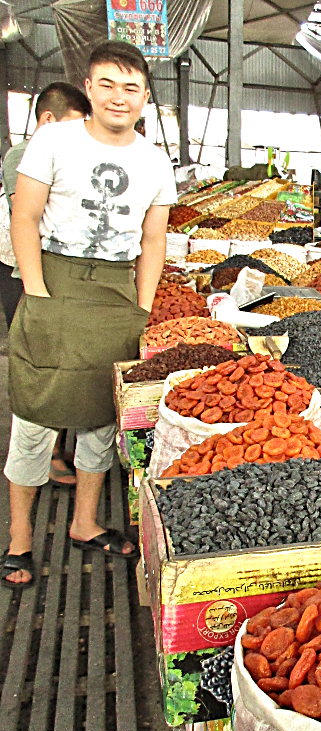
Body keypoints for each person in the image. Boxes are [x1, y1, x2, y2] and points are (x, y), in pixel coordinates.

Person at [3, 40, 176, 587]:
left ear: (145, 98)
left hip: (114, 290)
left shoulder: (153, 159)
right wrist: (36, 290)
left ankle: (84, 522)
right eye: (106, 85)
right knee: (35, 412)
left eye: (130, 88)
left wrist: (142, 307)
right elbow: (25, 218)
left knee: (102, 418)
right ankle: (20, 538)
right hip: (54, 278)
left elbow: (153, 240)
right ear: (89, 87)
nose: (117, 98)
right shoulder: (54, 140)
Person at [1, 82, 92, 487]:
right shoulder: (24, 154)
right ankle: (50, 456)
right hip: (25, 276)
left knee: (63, 367)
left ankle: (59, 443)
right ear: (47, 120)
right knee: (42, 371)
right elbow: (33, 215)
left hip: (56, 277)